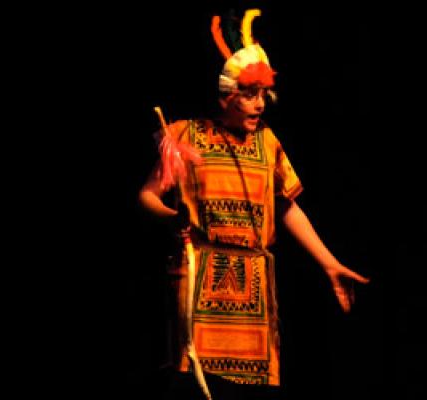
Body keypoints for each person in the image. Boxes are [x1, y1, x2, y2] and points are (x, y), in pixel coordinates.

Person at [137, 8, 370, 400]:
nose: (260, 104)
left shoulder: (267, 142)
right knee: (194, 386)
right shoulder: (186, 135)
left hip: (253, 290)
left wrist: (329, 262)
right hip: (200, 281)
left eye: (263, 95)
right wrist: (170, 216)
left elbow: (286, 206)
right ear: (226, 95)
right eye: (249, 95)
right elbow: (147, 195)